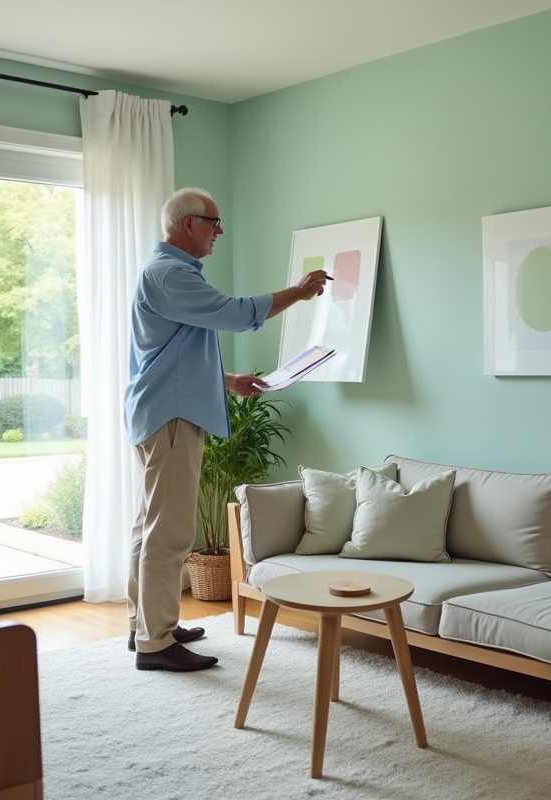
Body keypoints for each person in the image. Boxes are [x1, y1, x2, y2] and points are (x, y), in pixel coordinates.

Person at [124, 187, 329, 672]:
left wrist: (229, 379)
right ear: (188, 224)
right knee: (168, 532)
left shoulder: (167, 273)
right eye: (214, 222)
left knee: (150, 525)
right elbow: (236, 313)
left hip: (162, 408)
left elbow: (174, 354)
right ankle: (155, 642)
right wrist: (299, 293)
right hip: (171, 415)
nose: (220, 231)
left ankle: (145, 626)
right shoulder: (170, 274)